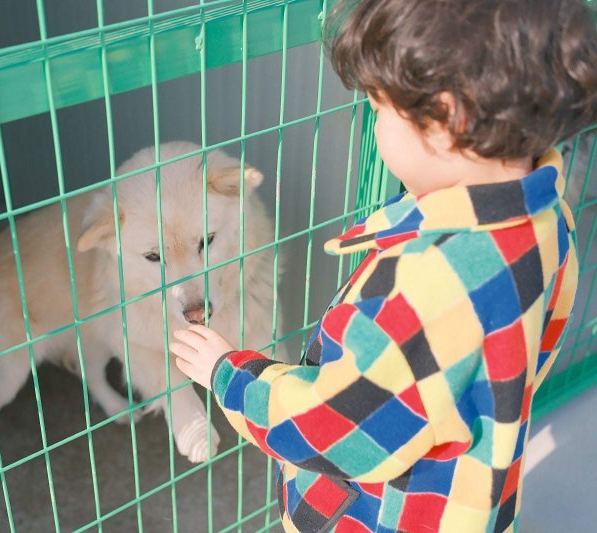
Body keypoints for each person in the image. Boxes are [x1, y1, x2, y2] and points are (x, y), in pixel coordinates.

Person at [168, 0, 597, 531]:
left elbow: (335, 430)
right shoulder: (546, 215)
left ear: (446, 118)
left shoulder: (427, 280)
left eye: (376, 106)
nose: (372, 120)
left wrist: (227, 374)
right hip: (471, 499)